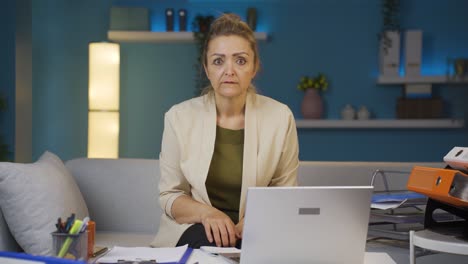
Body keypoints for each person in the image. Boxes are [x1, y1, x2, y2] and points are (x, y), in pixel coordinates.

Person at [151, 13, 299, 249]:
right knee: (211, 247)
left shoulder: (281, 118)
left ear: (254, 67)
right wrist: (209, 214)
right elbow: (169, 196)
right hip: (197, 228)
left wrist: (254, 222)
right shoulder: (178, 118)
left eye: (240, 61)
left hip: (259, 228)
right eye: (219, 61)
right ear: (207, 68)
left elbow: (286, 192)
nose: (229, 70)